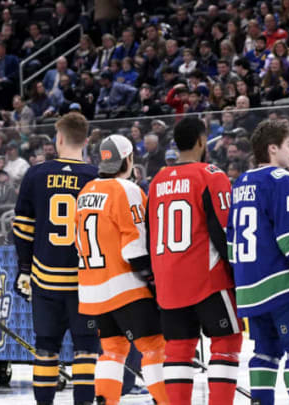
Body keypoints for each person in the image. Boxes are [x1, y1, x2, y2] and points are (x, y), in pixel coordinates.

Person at [147, 117, 243, 405]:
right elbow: (224, 231)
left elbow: (150, 233)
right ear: (202, 141)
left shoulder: (158, 180)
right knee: (226, 343)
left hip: (169, 283)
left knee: (178, 349)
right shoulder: (212, 175)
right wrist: (239, 274)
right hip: (208, 280)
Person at [227, 120, 289, 405]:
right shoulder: (281, 180)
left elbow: (231, 243)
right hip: (283, 285)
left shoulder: (241, 183)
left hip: (250, 287)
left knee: (265, 351)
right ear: (272, 148)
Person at [12, 113, 100, 405]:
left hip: (45, 279)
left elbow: (22, 229)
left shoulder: (35, 174)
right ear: (86, 141)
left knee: (46, 349)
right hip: (85, 282)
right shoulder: (95, 176)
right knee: (86, 349)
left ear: (58, 139)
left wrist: (24, 269)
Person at [75, 135, 170, 405]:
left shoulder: (86, 192)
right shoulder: (127, 190)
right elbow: (134, 249)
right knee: (152, 347)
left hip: (93, 288)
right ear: (128, 159)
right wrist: (153, 282)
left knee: (112, 350)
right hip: (126, 286)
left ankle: (107, 401)